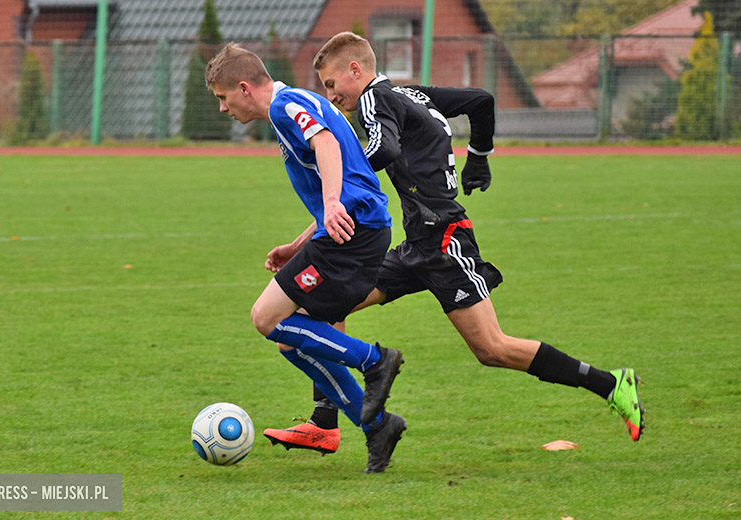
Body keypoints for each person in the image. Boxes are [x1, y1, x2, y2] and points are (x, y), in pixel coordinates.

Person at [262, 32, 644, 455]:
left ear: (356, 70)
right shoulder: (410, 94)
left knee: (492, 348)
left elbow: (384, 149)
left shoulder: (375, 101)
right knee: (319, 310)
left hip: (445, 243)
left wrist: (347, 164)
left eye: (333, 85)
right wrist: (478, 155)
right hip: (416, 245)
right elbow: (480, 101)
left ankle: (611, 383)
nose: (331, 97)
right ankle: (324, 422)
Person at [204, 42, 408, 473]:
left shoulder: (284, 105)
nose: (224, 109)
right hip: (352, 229)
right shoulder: (293, 104)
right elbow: (348, 173)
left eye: (223, 98)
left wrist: (332, 204)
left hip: (353, 232)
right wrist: (300, 242)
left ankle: (376, 361)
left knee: (267, 317)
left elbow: (328, 144)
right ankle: (377, 429)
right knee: (291, 340)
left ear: (244, 88)